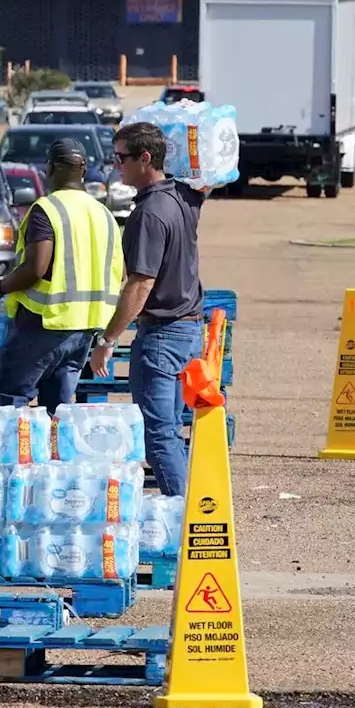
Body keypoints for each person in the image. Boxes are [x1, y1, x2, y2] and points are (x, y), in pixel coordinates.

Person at [91, 121, 204, 497]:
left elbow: (140, 285)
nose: (116, 164)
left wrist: (108, 339)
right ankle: (188, 507)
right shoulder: (183, 197)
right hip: (188, 332)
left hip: (162, 337)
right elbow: (205, 183)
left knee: (157, 436)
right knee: (170, 430)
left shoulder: (148, 215)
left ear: (145, 159)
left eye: (121, 157)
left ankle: (183, 519)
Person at [0, 137, 123, 414]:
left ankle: (16, 457)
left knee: (12, 399)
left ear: (51, 168)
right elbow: (120, 271)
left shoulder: (47, 210)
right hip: (86, 328)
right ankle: (52, 456)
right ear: (82, 171)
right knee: (58, 412)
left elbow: (35, 268)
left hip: (46, 322)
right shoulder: (104, 214)